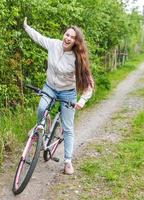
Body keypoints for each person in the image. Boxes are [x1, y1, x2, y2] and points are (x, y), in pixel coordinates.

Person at [23, 17, 94, 175]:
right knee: (41, 108)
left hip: (68, 93)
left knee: (68, 128)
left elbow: (89, 84)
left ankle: (68, 161)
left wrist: (82, 100)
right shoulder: (54, 44)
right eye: (66, 34)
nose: (67, 38)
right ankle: (42, 126)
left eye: (72, 37)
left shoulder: (77, 59)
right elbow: (39, 38)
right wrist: (26, 27)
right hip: (50, 87)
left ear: (76, 42)